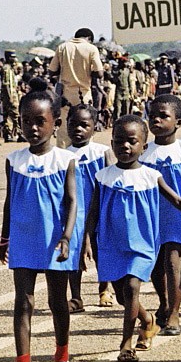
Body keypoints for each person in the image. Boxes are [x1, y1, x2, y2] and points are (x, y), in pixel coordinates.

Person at [84, 115, 181, 362]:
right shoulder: (103, 177)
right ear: (111, 144)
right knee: (122, 295)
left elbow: (177, 200)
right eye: (119, 141)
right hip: (111, 244)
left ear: (144, 147)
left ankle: (126, 344)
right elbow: (93, 212)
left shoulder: (151, 176)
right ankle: (147, 320)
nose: (125, 146)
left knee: (132, 288)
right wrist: (86, 239)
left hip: (142, 245)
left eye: (132, 141)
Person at [0, 87, 80, 362]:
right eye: (26, 121)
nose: (32, 128)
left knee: (58, 301)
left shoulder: (65, 160)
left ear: (55, 123)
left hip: (55, 240)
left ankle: (62, 359)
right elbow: (9, 201)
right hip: (23, 239)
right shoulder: (14, 160)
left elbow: (72, 201)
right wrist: (5, 238)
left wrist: (67, 237)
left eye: (40, 121)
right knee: (23, 302)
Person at [140, 94, 181, 337]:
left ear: (179, 122)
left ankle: (174, 312)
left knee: (172, 260)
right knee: (156, 264)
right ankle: (164, 302)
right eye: (152, 115)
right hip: (151, 214)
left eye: (163, 116)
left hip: (177, 213)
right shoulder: (143, 152)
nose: (156, 120)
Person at [65, 103, 113, 313]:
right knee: (74, 254)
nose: (78, 129)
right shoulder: (63, 155)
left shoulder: (102, 152)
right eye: (73, 124)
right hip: (74, 213)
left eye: (84, 125)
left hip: (99, 211)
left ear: (94, 126)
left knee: (101, 250)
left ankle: (105, 289)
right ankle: (76, 297)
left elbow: (111, 181)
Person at [49, 28, 104, 148]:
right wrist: (87, 72)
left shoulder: (62, 47)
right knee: (85, 128)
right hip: (84, 96)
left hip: (65, 96)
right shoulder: (91, 49)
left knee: (64, 130)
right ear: (89, 38)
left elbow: (52, 71)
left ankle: (64, 155)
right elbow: (99, 73)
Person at [1, 50, 21, 143]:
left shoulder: (11, 68)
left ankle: (9, 133)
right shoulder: (7, 69)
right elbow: (6, 84)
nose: (15, 59)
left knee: (9, 115)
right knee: (15, 114)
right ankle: (17, 133)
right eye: (13, 57)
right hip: (10, 95)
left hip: (11, 94)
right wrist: (10, 97)